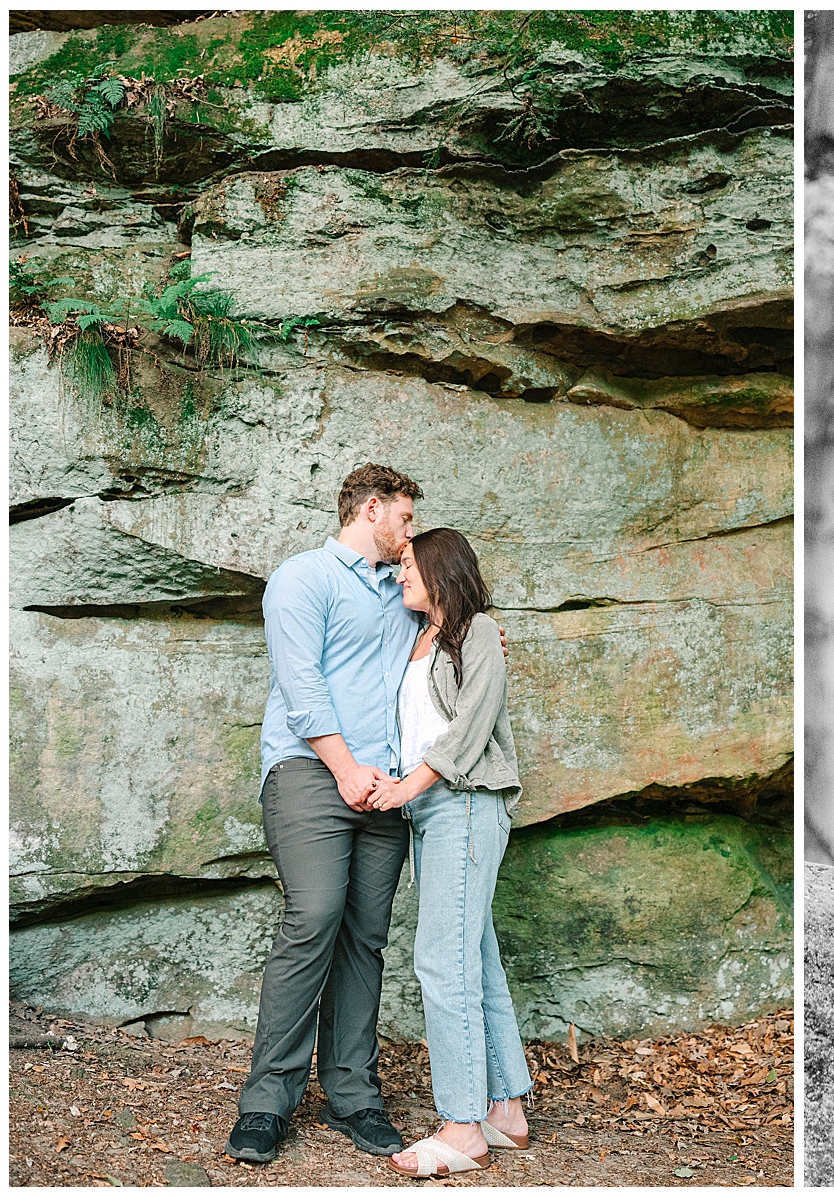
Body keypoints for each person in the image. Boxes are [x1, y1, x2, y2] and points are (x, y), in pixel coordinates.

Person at [227, 463, 425, 1164]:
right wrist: (345, 769)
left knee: (365, 936)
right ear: (371, 508)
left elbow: (438, 651)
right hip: (311, 773)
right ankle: (266, 1102)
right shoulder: (302, 578)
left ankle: (353, 1095)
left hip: (387, 788)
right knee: (313, 917)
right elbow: (300, 684)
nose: (411, 532)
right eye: (405, 517)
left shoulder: (408, 590)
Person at [368, 528, 532, 1178]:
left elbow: (468, 728)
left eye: (409, 564)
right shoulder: (419, 637)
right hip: (431, 811)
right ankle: (505, 1108)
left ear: (441, 569)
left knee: (442, 962)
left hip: (464, 802)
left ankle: (462, 1125)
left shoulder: (479, 631)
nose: (399, 574)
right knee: (474, 959)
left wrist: (407, 786)